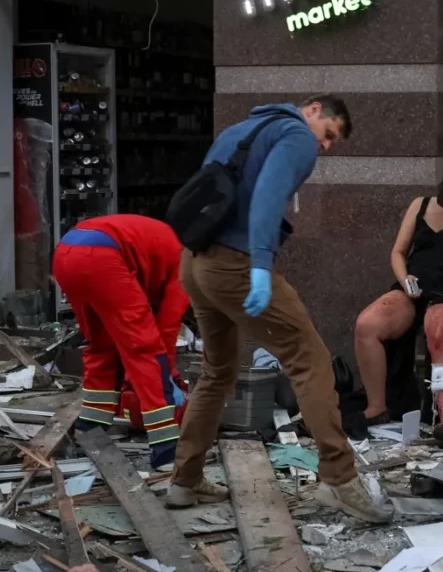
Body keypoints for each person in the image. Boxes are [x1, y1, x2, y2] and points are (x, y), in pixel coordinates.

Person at [169, 95, 393, 523]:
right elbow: (269, 195)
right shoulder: (296, 135)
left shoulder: (239, 130)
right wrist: (258, 264)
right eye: (328, 135)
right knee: (310, 361)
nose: (324, 147)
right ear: (313, 111)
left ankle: (184, 481)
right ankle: (340, 482)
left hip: (195, 263)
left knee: (217, 372)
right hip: (234, 262)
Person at [354, 164, 443, 430]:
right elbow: (398, 252)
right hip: (416, 283)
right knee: (368, 323)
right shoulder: (420, 205)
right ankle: (377, 407)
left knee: (438, 326)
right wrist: (404, 278)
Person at [52, 214, 189, 470]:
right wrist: (167, 377)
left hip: (65, 254)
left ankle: (90, 428)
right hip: (102, 257)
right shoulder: (186, 265)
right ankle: (166, 451)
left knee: (102, 345)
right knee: (146, 349)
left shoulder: (163, 240)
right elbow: (167, 331)